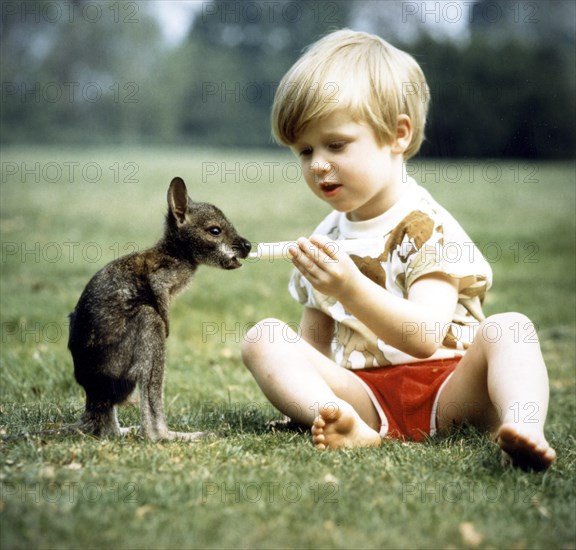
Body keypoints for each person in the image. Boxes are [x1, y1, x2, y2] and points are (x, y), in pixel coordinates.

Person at [241, 29, 556, 471]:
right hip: (367, 397)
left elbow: (425, 337)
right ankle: (343, 422)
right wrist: (308, 387)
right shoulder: (326, 237)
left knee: (512, 329)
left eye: (336, 144)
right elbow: (311, 344)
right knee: (264, 338)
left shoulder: (427, 228)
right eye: (304, 150)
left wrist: (350, 288)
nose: (317, 164)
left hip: (451, 392)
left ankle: (523, 427)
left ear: (397, 135)